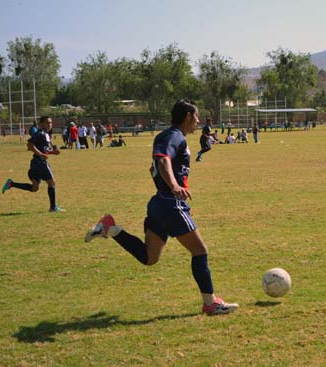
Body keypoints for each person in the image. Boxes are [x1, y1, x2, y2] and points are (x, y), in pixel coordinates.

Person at [85, 99, 238, 316]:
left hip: (159, 204)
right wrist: (174, 185)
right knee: (200, 251)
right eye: (196, 117)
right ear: (187, 116)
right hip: (170, 204)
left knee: (149, 257)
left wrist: (166, 178)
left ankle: (111, 229)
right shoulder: (174, 136)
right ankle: (210, 303)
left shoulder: (170, 136)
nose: (198, 121)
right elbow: (163, 160)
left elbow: (155, 166)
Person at [1, 116, 65, 212]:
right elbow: (30, 144)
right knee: (51, 182)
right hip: (40, 162)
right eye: (47, 122)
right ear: (41, 124)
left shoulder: (46, 135)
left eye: (51, 123)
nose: (49, 124)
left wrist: (53, 152)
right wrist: (40, 154)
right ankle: (53, 207)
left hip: (36, 163)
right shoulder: (40, 133)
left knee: (34, 188)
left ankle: (11, 184)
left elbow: (44, 150)